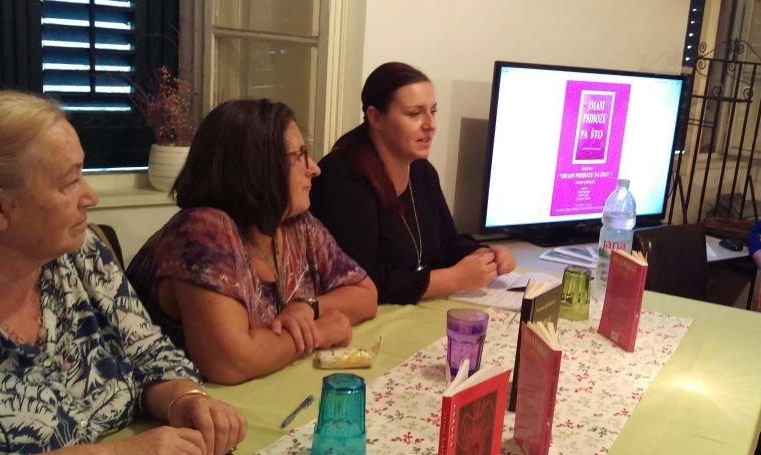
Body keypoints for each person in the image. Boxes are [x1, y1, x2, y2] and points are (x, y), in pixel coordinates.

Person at [0, 90, 247, 455]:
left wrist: (184, 399)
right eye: (69, 182)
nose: (90, 197)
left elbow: (149, 352)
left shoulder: (79, 255)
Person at [127, 99, 377, 386]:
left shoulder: (294, 224)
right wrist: (319, 333)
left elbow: (365, 294)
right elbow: (232, 362)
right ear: (257, 166)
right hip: (175, 405)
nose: (314, 169)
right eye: (299, 156)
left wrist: (309, 308)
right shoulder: (204, 230)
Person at [310, 62, 515, 305]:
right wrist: (453, 279)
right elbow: (360, 281)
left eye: (433, 111)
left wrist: (485, 256)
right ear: (375, 117)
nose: (431, 125)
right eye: (414, 114)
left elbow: (447, 244)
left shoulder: (421, 171)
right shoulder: (343, 178)